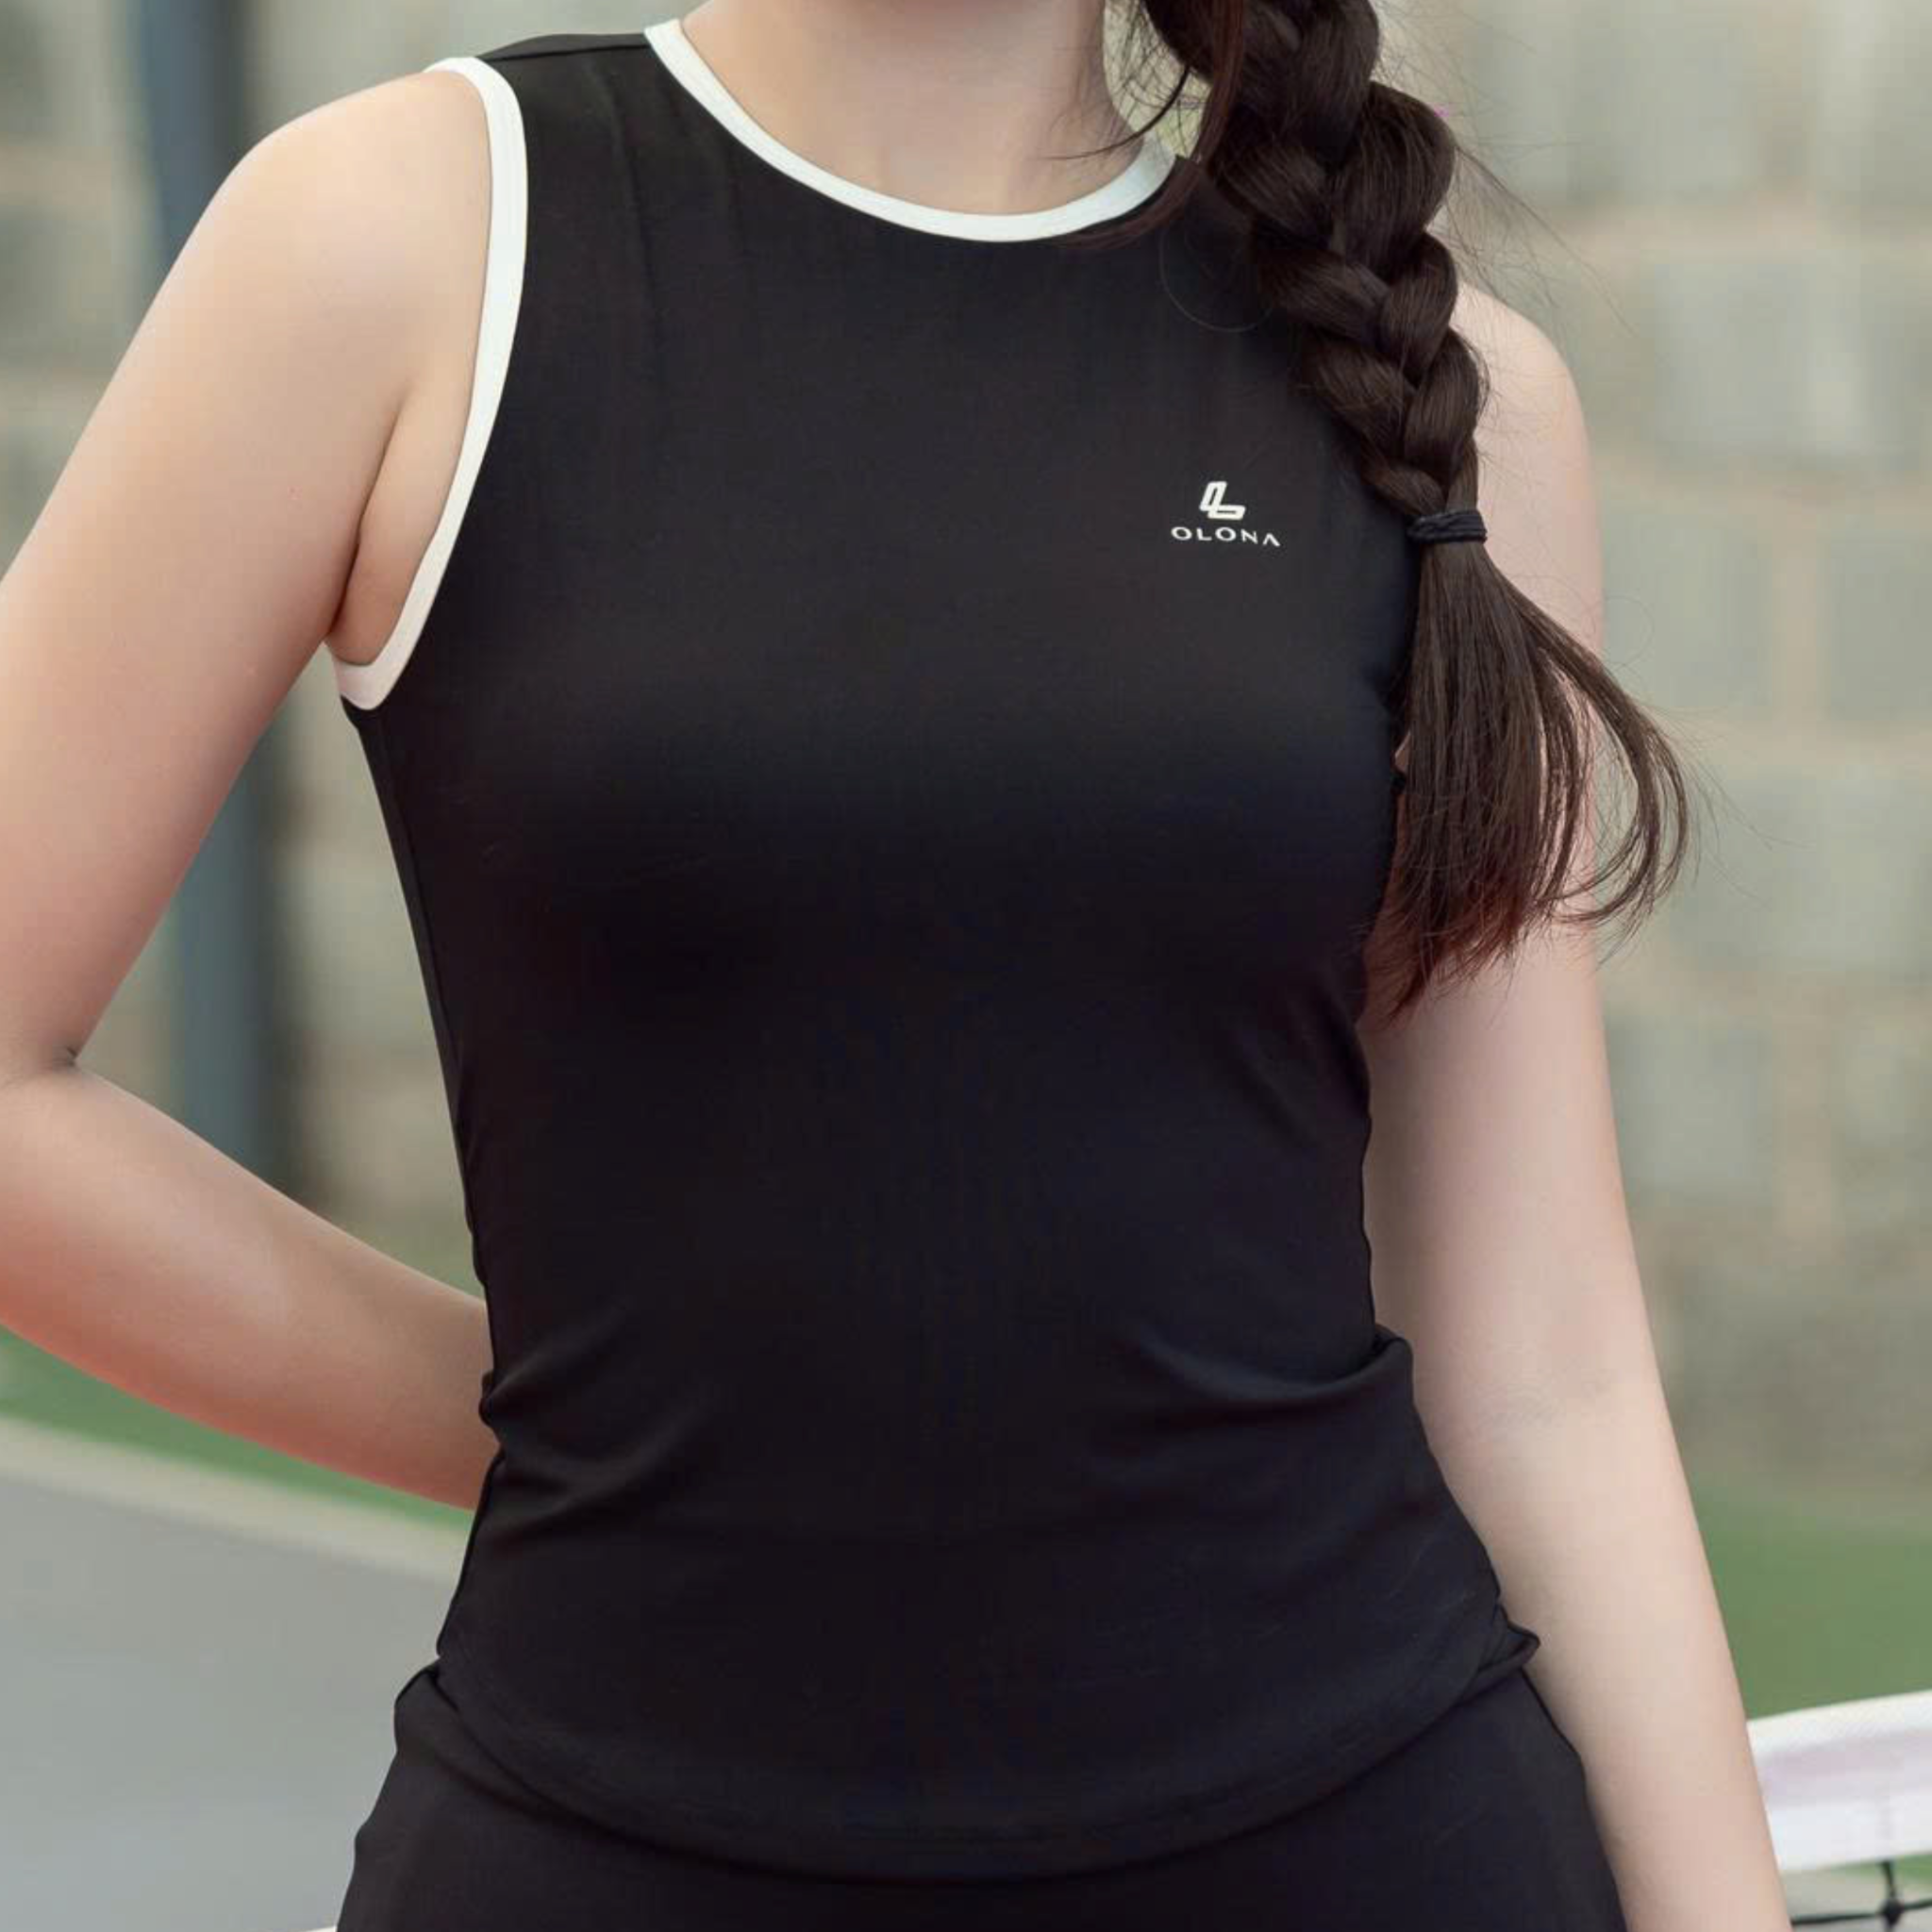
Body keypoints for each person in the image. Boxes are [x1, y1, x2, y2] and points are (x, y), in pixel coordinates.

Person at [0, 4, 1797, 1929]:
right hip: (605, 1839)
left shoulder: (1450, 397)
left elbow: (1545, 1369)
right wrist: (587, 1423)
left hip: (1374, 1837)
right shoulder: (405, 240)